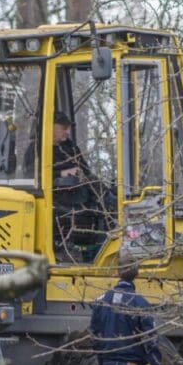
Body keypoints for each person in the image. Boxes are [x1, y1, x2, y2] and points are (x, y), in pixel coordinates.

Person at [51, 112, 107, 261]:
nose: (67, 132)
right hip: (57, 199)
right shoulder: (36, 150)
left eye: (68, 128)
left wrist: (83, 176)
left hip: (79, 196)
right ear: (50, 127)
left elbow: (86, 171)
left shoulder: (71, 148)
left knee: (104, 202)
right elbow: (33, 175)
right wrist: (60, 174)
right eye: (63, 128)